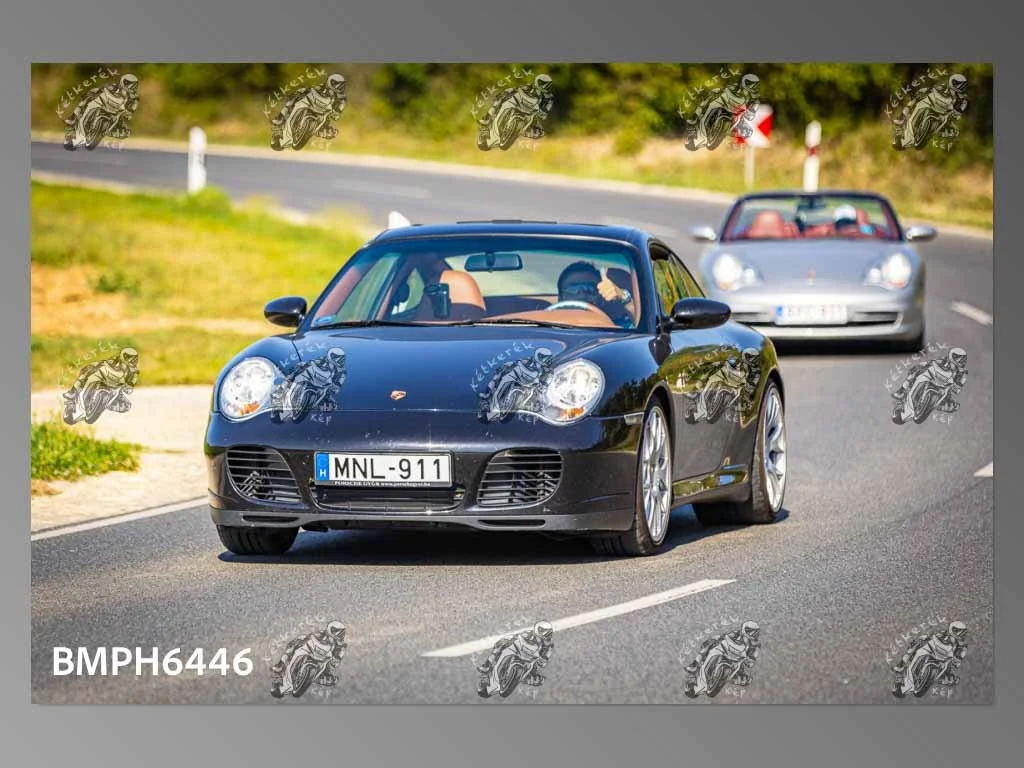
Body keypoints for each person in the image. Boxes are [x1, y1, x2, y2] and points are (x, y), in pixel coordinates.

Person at [62, 347, 140, 425]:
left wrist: (130, 386)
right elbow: (101, 363)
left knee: (126, 406)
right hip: (102, 379)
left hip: (116, 388)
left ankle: (105, 405)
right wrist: (92, 367)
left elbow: (133, 380)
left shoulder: (134, 370)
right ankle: (73, 392)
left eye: (135, 358)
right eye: (130, 357)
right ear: (124, 356)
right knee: (85, 372)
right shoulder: (114, 360)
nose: (133, 360)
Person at [270, 74, 348, 151]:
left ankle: (319, 132)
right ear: (332, 82)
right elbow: (310, 88)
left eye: (342, 85)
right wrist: (300, 92)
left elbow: (341, 106)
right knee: (292, 100)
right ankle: (280, 118)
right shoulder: (321, 86)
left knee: (328, 126)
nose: (341, 87)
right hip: (310, 103)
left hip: (323, 111)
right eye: (339, 85)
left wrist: (336, 113)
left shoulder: (341, 97)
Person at [63, 74, 140, 150]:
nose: (131, 86)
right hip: (102, 104)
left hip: (116, 112)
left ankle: (106, 132)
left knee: (127, 132)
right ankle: (73, 116)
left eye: (134, 85)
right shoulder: (112, 86)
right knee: (87, 98)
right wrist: (93, 93)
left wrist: (129, 113)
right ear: (123, 81)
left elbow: (133, 107)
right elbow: (100, 88)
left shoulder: (134, 97)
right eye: (129, 83)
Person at [555, 261, 636, 328]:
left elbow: (640, 328)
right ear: (560, 298)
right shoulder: (549, 325)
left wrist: (625, 298)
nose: (582, 295)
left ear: (601, 297)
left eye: (590, 288)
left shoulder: (616, 328)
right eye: (573, 289)